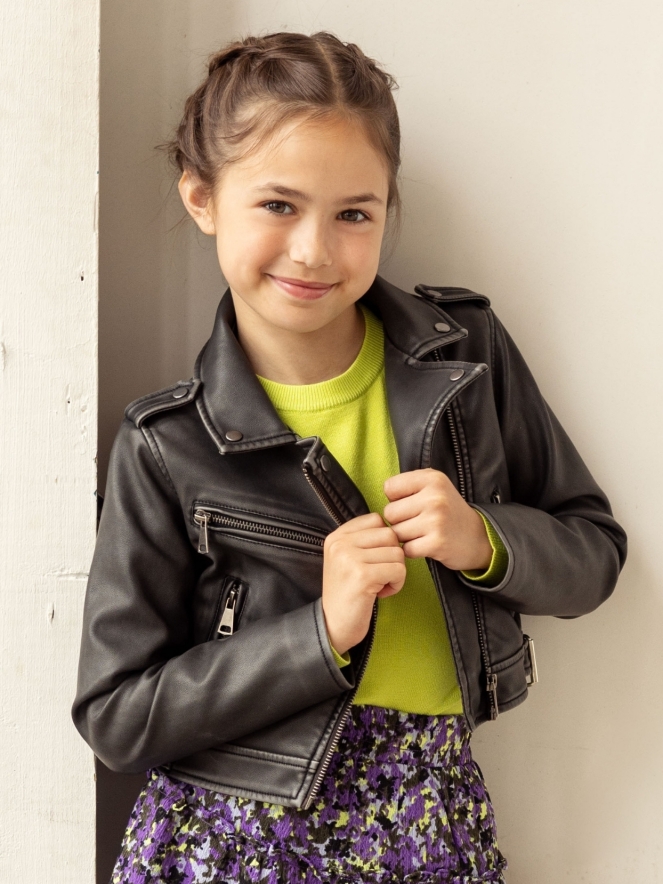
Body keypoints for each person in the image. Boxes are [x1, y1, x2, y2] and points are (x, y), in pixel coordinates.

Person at [72, 31, 627, 884]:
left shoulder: (466, 354)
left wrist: (482, 539)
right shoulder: (166, 442)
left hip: (429, 821)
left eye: (353, 214)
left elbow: (591, 555)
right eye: (277, 205)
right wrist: (318, 631)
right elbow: (117, 717)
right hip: (232, 843)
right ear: (201, 198)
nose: (313, 250)